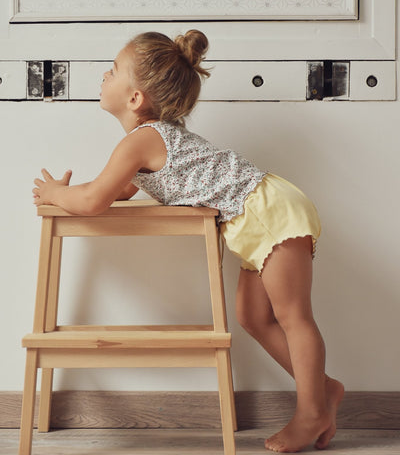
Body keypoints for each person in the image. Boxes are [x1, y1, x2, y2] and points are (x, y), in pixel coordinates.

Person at [33, 29, 344, 453]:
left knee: (293, 316)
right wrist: (75, 194)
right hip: (254, 218)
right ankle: (324, 388)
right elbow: (113, 190)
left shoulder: (144, 139)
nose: (104, 75)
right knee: (254, 316)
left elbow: (93, 200)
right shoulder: (145, 141)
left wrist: (56, 195)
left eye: (113, 70)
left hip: (269, 211)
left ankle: (311, 412)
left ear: (135, 98)